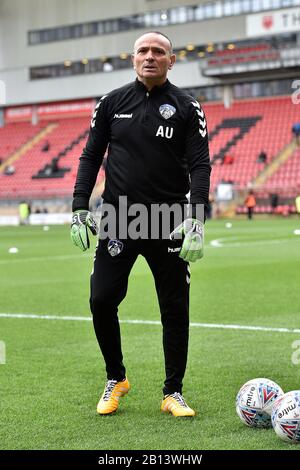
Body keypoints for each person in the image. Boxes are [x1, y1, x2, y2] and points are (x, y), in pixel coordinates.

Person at [70, 31, 211, 417]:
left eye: (158, 51)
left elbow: (200, 164)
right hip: (119, 217)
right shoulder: (110, 103)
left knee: (174, 307)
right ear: (133, 59)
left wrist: (196, 218)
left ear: (171, 60)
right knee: (101, 299)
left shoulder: (187, 106)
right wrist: (80, 206)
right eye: (143, 51)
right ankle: (116, 378)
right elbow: (90, 156)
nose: (150, 56)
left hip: (168, 219)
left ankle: (172, 393)